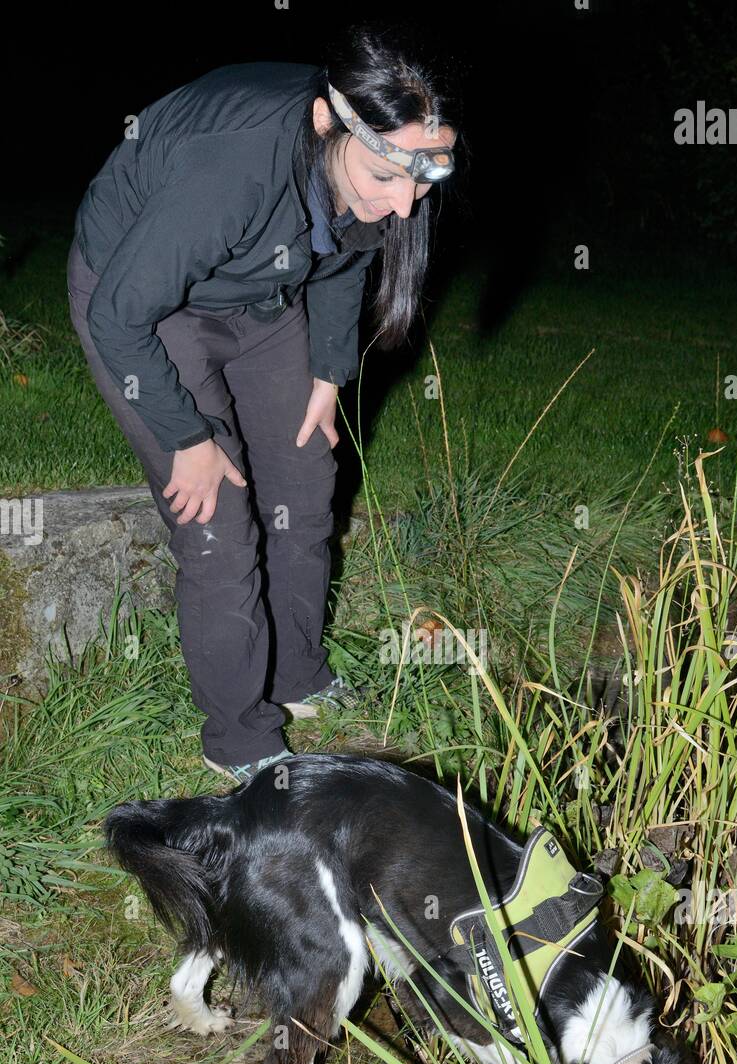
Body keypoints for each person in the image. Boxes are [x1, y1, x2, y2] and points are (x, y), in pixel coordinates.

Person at [67, 22, 460, 784]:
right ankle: (240, 741)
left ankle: (298, 675)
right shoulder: (235, 167)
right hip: (144, 308)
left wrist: (327, 371)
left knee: (307, 484)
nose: (406, 205)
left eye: (424, 180)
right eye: (388, 177)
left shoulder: (368, 169)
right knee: (219, 525)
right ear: (327, 123)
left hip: (263, 299)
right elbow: (121, 315)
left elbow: (348, 248)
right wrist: (188, 436)